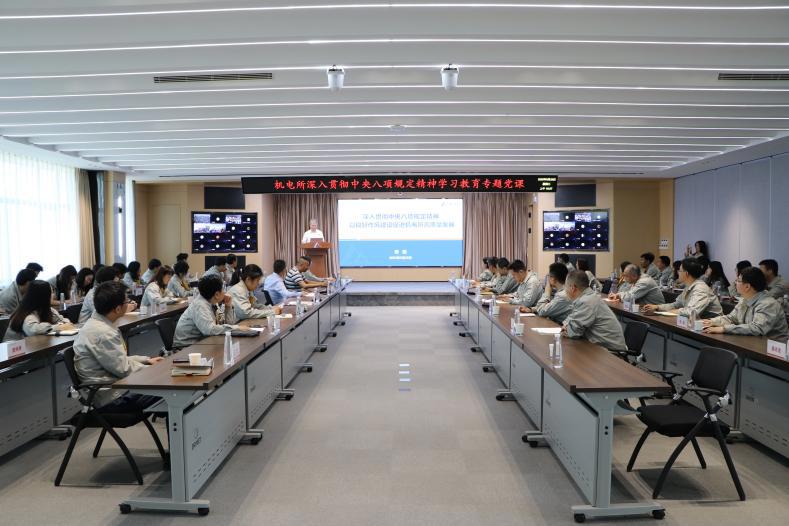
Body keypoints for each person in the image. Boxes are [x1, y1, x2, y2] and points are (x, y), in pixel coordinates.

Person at [73, 281, 163, 409]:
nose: (129, 303)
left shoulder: (99, 323)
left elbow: (119, 360)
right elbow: (124, 369)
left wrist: (147, 360)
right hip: (112, 397)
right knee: (169, 389)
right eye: (127, 301)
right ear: (118, 309)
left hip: (113, 387)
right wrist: (155, 370)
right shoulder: (103, 333)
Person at [703, 267, 789, 340]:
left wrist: (724, 329)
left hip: (773, 350)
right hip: (754, 343)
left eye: (738, 280)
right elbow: (731, 318)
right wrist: (712, 321)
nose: (735, 283)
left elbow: (757, 328)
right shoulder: (744, 299)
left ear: (747, 286)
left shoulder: (768, 304)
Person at [561, 271, 627, 352]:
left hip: (611, 352)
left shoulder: (586, 301)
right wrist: (568, 326)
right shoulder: (587, 297)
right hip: (602, 347)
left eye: (565, 286)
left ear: (572, 288)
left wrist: (568, 328)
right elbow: (569, 322)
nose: (565, 290)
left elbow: (573, 333)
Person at [173, 275, 238, 349]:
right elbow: (210, 330)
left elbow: (228, 324)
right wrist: (236, 328)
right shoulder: (200, 305)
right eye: (223, 289)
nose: (225, 292)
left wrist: (228, 307)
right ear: (216, 294)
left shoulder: (211, 301)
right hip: (185, 347)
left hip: (200, 343)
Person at [643, 258, 723, 318]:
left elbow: (691, 312)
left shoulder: (700, 288)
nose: (678, 273)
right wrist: (657, 307)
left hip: (711, 327)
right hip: (698, 324)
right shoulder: (689, 287)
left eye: (680, 271)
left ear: (686, 273)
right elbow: (676, 305)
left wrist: (670, 311)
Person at [3, 280, 72, 342]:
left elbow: (63, 321)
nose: (53, 295)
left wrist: (63, 324)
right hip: (15, 349)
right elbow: (33, 331)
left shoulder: (47, 309)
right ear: (42, 296)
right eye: (51, 292)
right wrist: (58, 327)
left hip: (33, 347)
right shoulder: (27, 314)